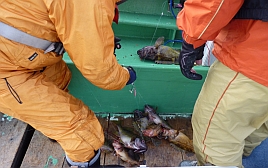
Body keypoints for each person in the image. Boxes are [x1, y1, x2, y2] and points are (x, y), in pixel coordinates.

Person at [0, 0, 136, 167]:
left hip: (18, 53)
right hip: (5, 71)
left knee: (59, 77)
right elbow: (101, 72)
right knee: (82, 132)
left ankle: (54, 127)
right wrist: (126, 76)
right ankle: (83, 161)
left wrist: (98, 36)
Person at [176, 0, 268, 167]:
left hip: (254, 57)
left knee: (214, 140)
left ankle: (220, 162)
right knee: (258, 124)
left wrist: (192, 40)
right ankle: (237, 158)